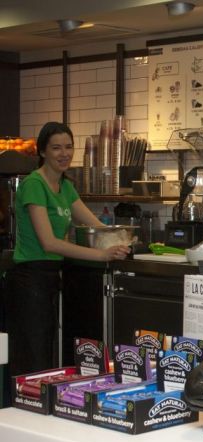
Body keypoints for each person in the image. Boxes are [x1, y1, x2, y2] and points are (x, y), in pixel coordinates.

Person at [5, 121, 130, 376]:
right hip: (29, 280)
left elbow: (94, 225)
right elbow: (49, 243)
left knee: (46, 357)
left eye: (69, 147)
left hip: (51, 278)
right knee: (33, 358)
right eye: (56, 148)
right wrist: (102, 254)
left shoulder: (65, 186)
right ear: (42, 152)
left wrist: (122, 239)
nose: (64, 153)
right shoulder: (34, 185)